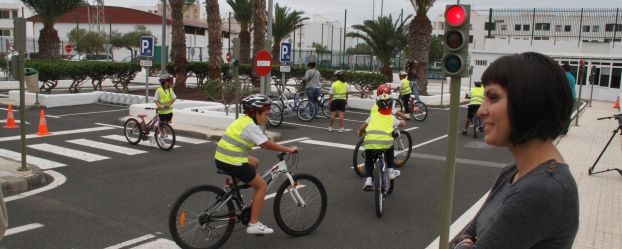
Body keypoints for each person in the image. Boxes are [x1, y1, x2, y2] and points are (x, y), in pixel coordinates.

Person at [453, 52, 578, 249]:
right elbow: (465, 235)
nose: (481, 111)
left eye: (493, 98)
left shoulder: (541, 190)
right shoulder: (513, 172)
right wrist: (467, 242)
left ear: (528, 101)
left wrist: (467, 243)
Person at [214, 94, 299, 235]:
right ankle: (253, 224)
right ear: (255, 113)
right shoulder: (250, 126)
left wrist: (267, 140)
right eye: (265, 114)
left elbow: (262, 142)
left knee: (254, 162)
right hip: (233, 161)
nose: (267, 118)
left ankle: (231, 187)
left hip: (222, 157)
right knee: (261, 186)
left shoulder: (244, 120)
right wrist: (289, 149)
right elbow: (267, 146)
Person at [357, 94, 405, 190]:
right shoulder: (391, 118)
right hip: (385, 144)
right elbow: (403, 124)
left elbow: (362, 128)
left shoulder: (372, 116)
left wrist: (359, 133)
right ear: (391, 106)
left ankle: (369, 181)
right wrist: (402, 120)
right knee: (390, 150)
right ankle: (391, 171)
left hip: (370, 144)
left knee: (369, 161)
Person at [562, 63, 576, 134]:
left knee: (563, 113)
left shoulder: (564, 76)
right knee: (568, 113)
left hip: (567, 97)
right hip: (573, 97)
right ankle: (565, 130)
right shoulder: (572, 76)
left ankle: (563, 130)